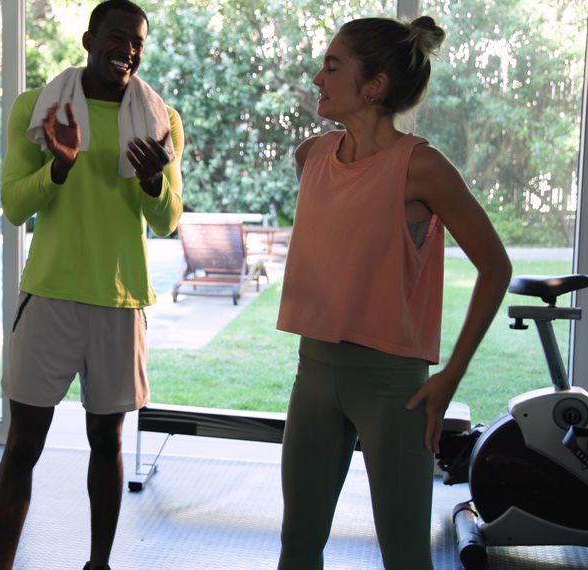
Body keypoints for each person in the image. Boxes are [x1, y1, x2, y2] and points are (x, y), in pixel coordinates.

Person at [276, 16, 512, 570]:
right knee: (297, 547)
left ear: (373, 85)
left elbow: (495, 266)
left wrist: (450, 375)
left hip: (394, 387)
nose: (317, 77)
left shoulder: (422, 167)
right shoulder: (311, 157)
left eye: (333, 66)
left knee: (406, 555)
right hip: (314, 373)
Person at [0, 1, 184, 568]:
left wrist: (152, 182)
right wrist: (57, 167)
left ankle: (98, 565)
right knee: (23, 444)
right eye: (117, 36)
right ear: (88, 39)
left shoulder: (161, 118)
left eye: (138, 41)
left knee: (109, 441)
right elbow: (12, 204)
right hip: (50, 295)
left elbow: (168, 219)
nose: (128, 48)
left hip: (119, 298)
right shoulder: (39, 108)